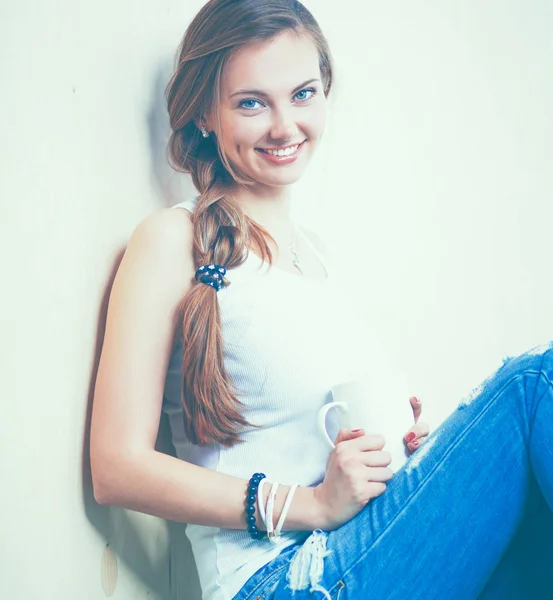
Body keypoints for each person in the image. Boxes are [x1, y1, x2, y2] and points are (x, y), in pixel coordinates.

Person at [90, 1, 553, 599]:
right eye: (252, 102)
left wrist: (401, 450)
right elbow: (116, 466)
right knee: (534, 388)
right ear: (205, 113)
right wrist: (308, 504)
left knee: (534, 521)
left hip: (355, 551)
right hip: (280, 579)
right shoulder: (170, 240)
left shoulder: (318, 258)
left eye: (303, 94)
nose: (285, 126)